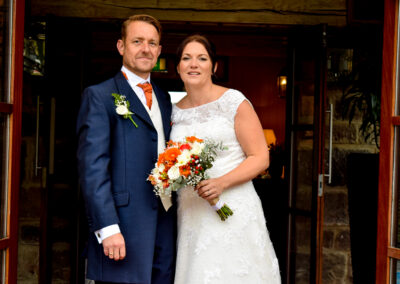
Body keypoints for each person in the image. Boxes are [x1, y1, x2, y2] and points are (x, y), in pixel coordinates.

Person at [170, 34, 281, 283]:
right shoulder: (175, 112)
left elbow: (261, 157)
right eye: (186, 58)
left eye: (202, 58)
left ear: (214, 66)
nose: (193, 64)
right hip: (192, 213)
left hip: (233, 208)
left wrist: (221, 183)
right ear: (178, 67)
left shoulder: (233, 102)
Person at [76, 15, 175, 284]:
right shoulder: (99, 96)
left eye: (152, 43)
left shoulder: (164, 98)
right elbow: (92, 169)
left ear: (159, 51)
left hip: (165, 225)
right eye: (137, 41)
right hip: (122, 227)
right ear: (121, 46)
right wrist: (107, 227)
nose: (146, 48)